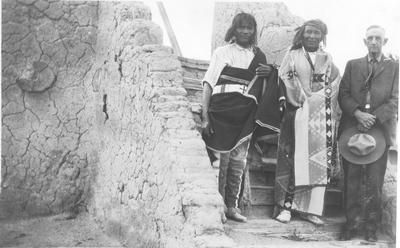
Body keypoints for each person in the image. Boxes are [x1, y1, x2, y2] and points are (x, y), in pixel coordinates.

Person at [201, 12, 273, 222]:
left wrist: (270, 73)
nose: (245, 31)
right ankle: (218, 206)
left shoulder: (258, 57)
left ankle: (231, 206)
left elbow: (264, 88)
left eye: (249, 28)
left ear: (254, 31)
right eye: (241, 27)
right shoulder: (222, 52)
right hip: (221, 113)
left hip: (245, 116)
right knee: (220, 162)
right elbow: (208, 83)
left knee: (237, 162)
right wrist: (205, 117)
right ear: (234, 29)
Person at [273, 19, 341, 225]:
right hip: (297, 113)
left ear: (322, 37)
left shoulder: (327, 59)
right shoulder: (292, 56)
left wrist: (319, 100)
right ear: (302, 34)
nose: (312, 36)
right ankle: (287, 207)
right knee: (294, 158)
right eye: (308, 32)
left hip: (321, 118)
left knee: (319, 162)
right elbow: (285, 77)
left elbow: (336, 82)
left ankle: (312, 210)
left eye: (316, 33)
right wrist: (304, 99)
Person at [338, 25, 398, 242]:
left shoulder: (394, 68)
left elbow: (395, 99)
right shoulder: (353, 65)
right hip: (352, 128)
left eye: (378, 38)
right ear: (365, 42)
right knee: (352, 179)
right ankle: (351, 225)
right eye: (370, 38)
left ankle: (372, 228)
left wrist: (374, 117)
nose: (374, 42)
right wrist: (357, 113)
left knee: (375, 181)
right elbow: (342, 93)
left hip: (379, 132)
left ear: (385, 41)